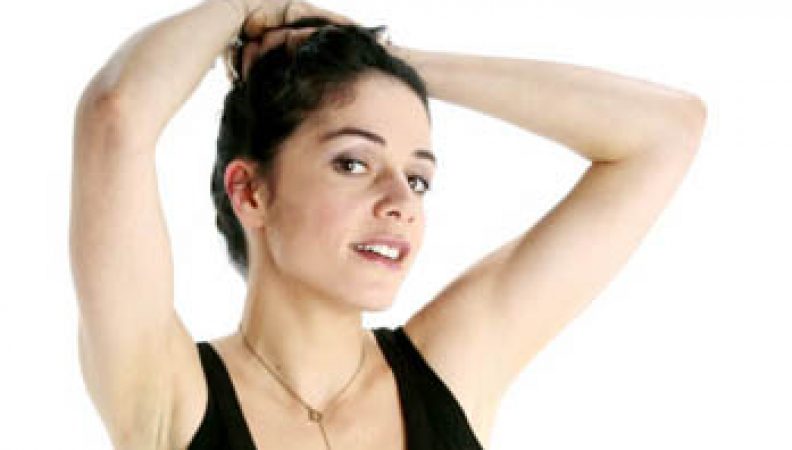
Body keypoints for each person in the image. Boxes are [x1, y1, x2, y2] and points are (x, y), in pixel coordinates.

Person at [69, 0, 707, 449]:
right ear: (251, 191)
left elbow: (665, 131)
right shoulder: (169, 393)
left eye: (418, 177)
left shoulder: (447, 372)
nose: (401, 201)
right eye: (353, 163)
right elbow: (116, 117)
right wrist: (247, 6)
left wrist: (385, 59)